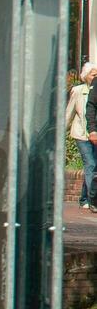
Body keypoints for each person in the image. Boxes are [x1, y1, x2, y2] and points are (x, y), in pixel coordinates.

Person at [69, 63, 97, 209]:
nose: (95, 77)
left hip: (94, 135)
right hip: (81, 134)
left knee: (91, 167)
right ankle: (92, 201)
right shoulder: (77, 90)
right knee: (90, 164)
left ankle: (84, 198)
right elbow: (70, 112)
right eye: (93, 74)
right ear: (85, 76)